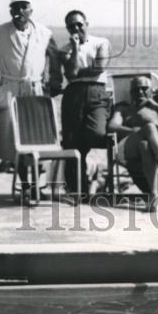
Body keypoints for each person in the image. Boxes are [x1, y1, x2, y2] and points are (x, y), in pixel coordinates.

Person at [0, 0, 61, 173]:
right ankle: (18, 175)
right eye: (15, 7)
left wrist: (54, 82)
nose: (19, 11)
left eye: (24, 7)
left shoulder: (45, 33)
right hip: (10, 88)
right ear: (10, 11)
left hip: (35, 88)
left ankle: (37, 179)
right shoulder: (0, 33)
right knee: (12, 137)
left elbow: (55, 59)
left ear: (31, 10)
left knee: (37, 134)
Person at [59, 10, 112, 197]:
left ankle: (99, 177)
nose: (76, 28)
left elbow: (100, 68)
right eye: (71, 25)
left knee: (97, 134)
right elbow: (70, 74)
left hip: (97, 93)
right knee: (72, 142)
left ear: (86, 24)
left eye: (79, 24)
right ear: (67, 28)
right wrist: (74, 50)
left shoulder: (101, 42)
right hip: (73, 94)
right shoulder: (65, 49)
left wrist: (77, 71)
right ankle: (77, 189)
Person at [108, 75, 158, 208]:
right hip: (129, 149)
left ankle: (154, 196)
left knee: (144, 145)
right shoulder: (123, 108)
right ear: (131, 93)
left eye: (144, 89)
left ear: (152, 91)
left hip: (152, 151)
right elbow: (112, 126)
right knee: (150, 127)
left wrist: (157, 107)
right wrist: (135, 131)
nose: (140, 92)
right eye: (136, 90)